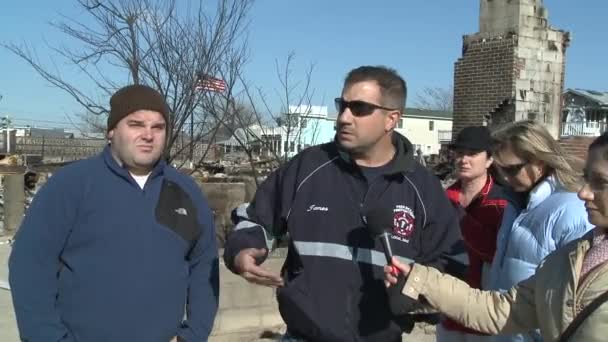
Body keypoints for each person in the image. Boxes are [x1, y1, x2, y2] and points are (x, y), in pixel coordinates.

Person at [223, 65, 461, 342]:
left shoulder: (422, 188)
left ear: (391, 119)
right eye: (342, 106)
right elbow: (255, 218)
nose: (344, 118)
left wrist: (416, 295)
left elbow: (450, 265)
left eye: (359, 108)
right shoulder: (308, 167)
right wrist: (243, 251)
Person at [9, 85, 219, 342]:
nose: (148, 135)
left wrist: (193, 335)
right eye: (136, 124)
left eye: (158, 127)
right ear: (111, 131)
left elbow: (204, 266)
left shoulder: (185, 191)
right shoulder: (71, 185)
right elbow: (30, 267)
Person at [384, 131, 608, 342]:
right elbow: (501, 308)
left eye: (601, 182)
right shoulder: (569, 258)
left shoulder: (564, 211)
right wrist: (420, 279)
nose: (583, 192)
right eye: (586, 179)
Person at [484, 120, 592, 342]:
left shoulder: (572, 210)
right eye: (498, 169)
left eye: (512, 169)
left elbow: (577, 299)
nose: (504, 177)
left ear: (540, 162)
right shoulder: (515, 203)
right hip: (505, 330)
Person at [438, 126, 509, 342]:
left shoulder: (503, 203)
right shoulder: (443, 198)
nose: (464, 160)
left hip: (487, 311)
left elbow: (503, 255)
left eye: (472, 153)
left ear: (489, 160)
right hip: (448, 307)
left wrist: (462, 221)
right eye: (460, 153)